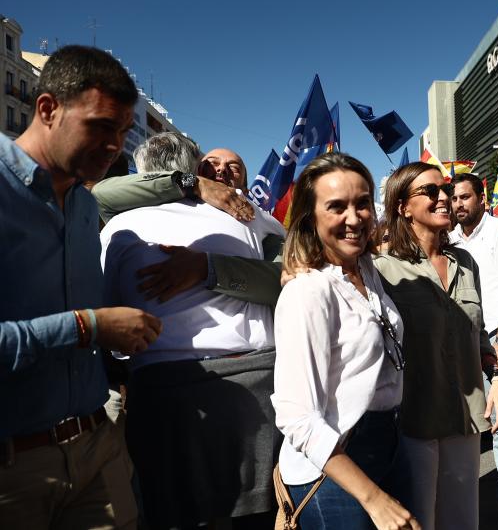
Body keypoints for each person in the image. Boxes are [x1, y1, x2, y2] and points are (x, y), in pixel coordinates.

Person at [0, 45, 162, 529]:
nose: (116, 145)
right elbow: (84, 325)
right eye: (101, 126)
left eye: (123, 131)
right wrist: (89, 326)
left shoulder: (86, 206)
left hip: (98, 448)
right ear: (47, 108)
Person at [100, 132, 286, 528]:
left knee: (175, 513)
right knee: (260, 514)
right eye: (209, 170)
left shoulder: (115, 228)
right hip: (226, 390)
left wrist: (207, 269)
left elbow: (288, 275)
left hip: (181, 388)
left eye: (229, 168)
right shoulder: (246, 217)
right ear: (194, 172)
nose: (219, 176)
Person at [271, 153, 418, 530]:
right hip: (334, 469)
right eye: (336, 207)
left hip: (388, 444)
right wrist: (373, 499)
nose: (354, 219)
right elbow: (296, 416)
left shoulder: (366, 269)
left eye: (363, 203)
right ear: (310, 216)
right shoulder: (309, 291)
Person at [375, 161, 498, 530]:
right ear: (403, 207)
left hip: (466, 415)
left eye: (445, 190)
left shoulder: (465, 262)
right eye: (429, 192)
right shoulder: (382, 270)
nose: (443, 198)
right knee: (419, 521)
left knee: (464, 520)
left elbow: (478, 333)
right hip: (413, 420)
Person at [92, 145, 284, 306]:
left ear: (245, 189)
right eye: (212, 163)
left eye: (233, 167)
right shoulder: (166, 193)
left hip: (249, 349)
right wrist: (193, 184)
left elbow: (287, 279)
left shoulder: (255, 215)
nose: (221, 169)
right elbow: (102, 193)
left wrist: (208, 268)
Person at [450, 172, 498, 529]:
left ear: (482, 198)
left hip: (496, 337)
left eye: (465, 197)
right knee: (463, 420)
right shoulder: (449, 239)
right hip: (458, 341)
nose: (458, 205)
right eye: (454, 199)